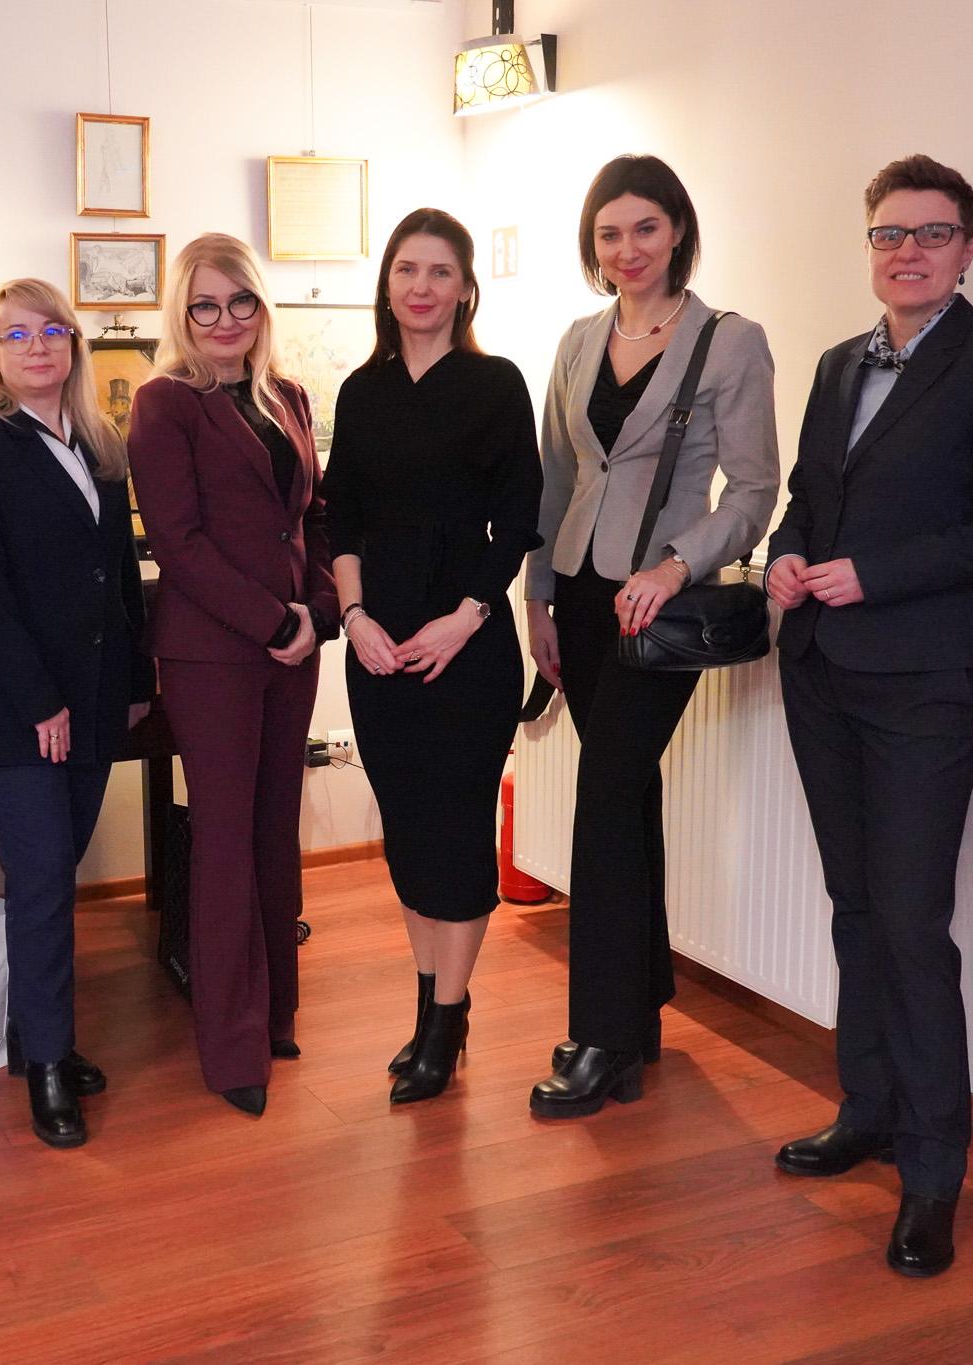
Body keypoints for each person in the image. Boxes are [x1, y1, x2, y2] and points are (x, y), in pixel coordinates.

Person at [765, 155, 973, 1278]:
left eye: (931, 234)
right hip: (820, 668)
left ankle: (934, 1173)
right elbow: (808, 496)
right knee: (854, 907)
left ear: (967, 250)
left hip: (924, 681)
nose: (907, 252)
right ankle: (870, 1110)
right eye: (889, 234)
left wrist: (876, 574)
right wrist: (788, 555)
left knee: (908, 921)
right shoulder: (839, 363)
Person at [523, 155, 779, 1119]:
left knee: (603, 797)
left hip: (661, 606)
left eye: (644, 228)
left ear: (677, 231)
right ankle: (640, 1008)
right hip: (581, 598)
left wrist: (675, 564)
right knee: (627, 795)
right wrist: (538, 599)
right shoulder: (578, 340)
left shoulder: (729, 341)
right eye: (609, 233)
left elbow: (753, 490)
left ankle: (602, 1036)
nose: (627, 249)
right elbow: (555, 479)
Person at [323, 208, 540, 1103]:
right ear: (387, 285)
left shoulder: (496, 383)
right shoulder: (360, 391)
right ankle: (429, 1013)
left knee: (456, 835)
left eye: (440, 271)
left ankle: (446, 1023)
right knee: (409, 835)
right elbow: (339, 518)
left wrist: (467, 617)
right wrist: (355, 617)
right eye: (407, 270)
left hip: (468, 652)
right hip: (379, 653)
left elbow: (519, 515)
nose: (422, 286)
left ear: (465, 287)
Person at [0, 278, 151, 1148]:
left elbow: (120, 573)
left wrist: (136, 677)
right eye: (15, 335)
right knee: (45, 875)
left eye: (52, 330)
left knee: (56, 871)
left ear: (74, 345)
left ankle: (34, 1033)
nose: (37, 346)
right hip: (17, 707)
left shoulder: (99, 441)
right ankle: (51, 1066)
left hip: (94, 700)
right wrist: (39, 701)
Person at [127, 233, 336, 1116]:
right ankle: (230, 1043)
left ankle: (277, 1010)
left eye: (240, 300)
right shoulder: (164, 403)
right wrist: (273, 619)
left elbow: (312, 517)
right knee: (221, 838)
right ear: (183, 313)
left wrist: (317, 611)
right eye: (204, 305)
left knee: (275, 827)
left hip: (293, 648)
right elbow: (177, 543)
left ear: (260, 306)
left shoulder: (288, 395)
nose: (224, 319)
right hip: (212, 651)